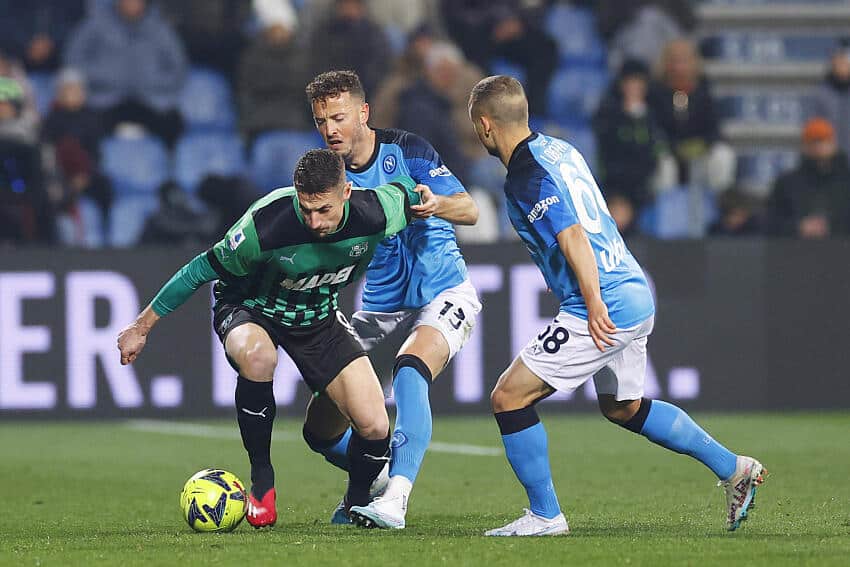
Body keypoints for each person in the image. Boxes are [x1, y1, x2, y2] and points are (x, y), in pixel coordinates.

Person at [467, 75, 766, 536]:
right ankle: (734, 468)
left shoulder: (526, 175)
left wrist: (592, 302)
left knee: (509, 396)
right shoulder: (560, 150)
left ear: (485, 125)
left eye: (475, 126)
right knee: (623, 407)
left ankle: (545, 515)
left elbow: (572, 234)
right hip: (633, 287)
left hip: (602, 299)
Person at [117, 149, 443, 528]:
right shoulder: (266, 226)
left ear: (347, 193)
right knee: (258, 357)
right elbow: (198, 270)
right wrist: (140, 327)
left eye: (324, 210)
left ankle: (354, 504)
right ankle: (262, 481)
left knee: (374, 426)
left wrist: (432, 198)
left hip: (317, 318)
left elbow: (412, 189)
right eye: (306, 209)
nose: (314, 221)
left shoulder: (377, 212)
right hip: (250, 307)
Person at [304, 70, 481, 529]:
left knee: (410, 369)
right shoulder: (328, 177)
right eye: (321, 121)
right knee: (319, 429)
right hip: (380, 307)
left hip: (443, 290)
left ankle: (395, 499)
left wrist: (436, 204)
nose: (330, 130)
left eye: (339, 117)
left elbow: (470, 209)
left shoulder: (408, 150)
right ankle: (377, 475)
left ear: (364, 113)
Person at [64, 0, 188, 147]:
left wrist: (151, 80)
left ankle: (167, 160)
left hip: (151, 101)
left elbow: (178, 67)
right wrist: (104, 77)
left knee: (173, 123)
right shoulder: (95, 25)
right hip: (105, 101)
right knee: (83, 125)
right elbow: (72, 59)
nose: (132, 3)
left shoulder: (161, 29)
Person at [766, 118, 850, 238]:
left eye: (823, 140)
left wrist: (831, 226)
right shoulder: (787, 183)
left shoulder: (846, 181)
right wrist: (799, 227)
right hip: (798, 247)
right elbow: (771, 222)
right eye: (813, 142)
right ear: (805, 145)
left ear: (834, 143)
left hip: (842, 247)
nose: (819, 146)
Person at [810, 39, 850, 163]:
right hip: (829, 162)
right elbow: (812, 130)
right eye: (839, 59)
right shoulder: (820, 95)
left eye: (846, 60)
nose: (842, 64)